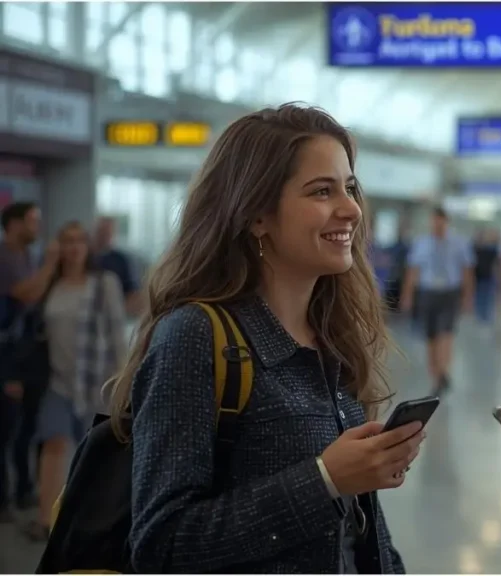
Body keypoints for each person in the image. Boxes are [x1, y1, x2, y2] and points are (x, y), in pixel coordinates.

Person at [104, 104, 421, 573]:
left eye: (350, 187)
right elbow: (162, 544)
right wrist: (325, 480)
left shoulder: (331, 337)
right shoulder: (194, 336)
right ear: (257, 215)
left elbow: (361, 533)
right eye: (322, 191)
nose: (351, 208)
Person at [22, 221, 127, 542]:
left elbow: (116, 331)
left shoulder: (104, 283)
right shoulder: (51, 285)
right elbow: (25, 303)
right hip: (57, 381)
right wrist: (49, 264)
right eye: (66, 241)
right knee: (53, 445)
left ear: (87, 247)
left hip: (97, 382)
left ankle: (87, 523)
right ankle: (45, 521)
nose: (73, 248)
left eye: (79, 241)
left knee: (93, 454)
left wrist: (124, 379)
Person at [0, 201, 57, 522]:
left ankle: (23, 490)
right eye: (32, 220)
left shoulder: (28, 257)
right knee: (7, 429)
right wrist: (50, 264)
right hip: (8, 358)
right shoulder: (5, 256)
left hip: (31, 357)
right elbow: (27, 293)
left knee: (28, 428)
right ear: (14, 223)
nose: (38, 226)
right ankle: (4, 498)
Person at [400, 207, 475, 395]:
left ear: (446, 222)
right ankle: (436, 374)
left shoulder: (459, 243)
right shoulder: (421, 243)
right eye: (433, 221)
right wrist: (407, 296)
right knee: (431, 337)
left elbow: (467, 271)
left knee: (445, 333)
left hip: (449, 294)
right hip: (427, 293)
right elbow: (413, 270)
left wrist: (467, 297)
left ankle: (443, 371)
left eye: (440, 221)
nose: (436, 225)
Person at [93, 216, 141, 315]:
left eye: (107, 232)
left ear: (113, 233)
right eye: (101, 231)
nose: (104, 235)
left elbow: (133, 293)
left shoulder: (121, 260)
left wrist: (118, 312)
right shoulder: (87, 258)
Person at [472, 228, 501, 324]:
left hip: (488, 277)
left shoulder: (490, 249)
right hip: (478, 277)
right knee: (479, 297)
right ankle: (480, 316)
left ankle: (486, 317)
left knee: (487, 298)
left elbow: (498, 260)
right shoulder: (475, 248)